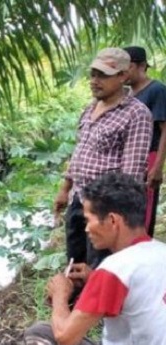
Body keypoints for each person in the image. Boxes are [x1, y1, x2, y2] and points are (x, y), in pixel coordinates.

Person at [26, 173, 166, 345]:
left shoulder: (114, 270)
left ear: (112, 220)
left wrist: (59, 295)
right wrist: (93, 280)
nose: (86, 228)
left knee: (41, 336)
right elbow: (142, 298)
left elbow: (66, 336)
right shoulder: (159, 252)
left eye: (89, 219)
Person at [53, 48, 152, 269]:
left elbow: (131, 173)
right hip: (79, 197)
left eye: (103, 75)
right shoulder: (90, 109)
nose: (95, 81)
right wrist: (65, 188)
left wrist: (116, 215)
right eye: (93, 74)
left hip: (105, 207)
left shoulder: (136, 114)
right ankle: (75, 301)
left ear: (123, 76)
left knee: (100, 265)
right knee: (74, 259)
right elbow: (80, 151)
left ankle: (97, 302)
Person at [125, 46, 166, 236]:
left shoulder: (156, 90)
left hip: (149, 156)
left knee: (145, 211)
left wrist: (157, 167)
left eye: (127, 67)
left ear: (141, 66)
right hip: (130, 159)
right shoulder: (128, 95)